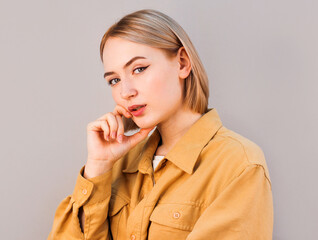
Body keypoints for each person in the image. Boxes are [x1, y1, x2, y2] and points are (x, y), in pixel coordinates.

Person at [48, 9, 273, 240]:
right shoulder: (119, 162)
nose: (126, 92)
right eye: (114, 80)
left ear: (183, 63)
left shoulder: (239, 165)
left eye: (139, 69)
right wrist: (98, 166)